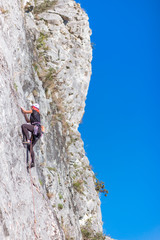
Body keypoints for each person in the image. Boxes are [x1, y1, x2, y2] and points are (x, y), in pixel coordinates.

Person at [21, 103, 41, 168]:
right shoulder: (37, 115)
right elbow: (28, 120)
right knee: (30, 147)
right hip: (38, 132)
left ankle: (27, 139)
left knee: (24, 126)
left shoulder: (34, 111)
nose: (31, 108)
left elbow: (25, 111)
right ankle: (33, 162)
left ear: (33, 107)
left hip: (36, 128)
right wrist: (24, 115)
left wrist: (22, 109)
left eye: (32, 107)